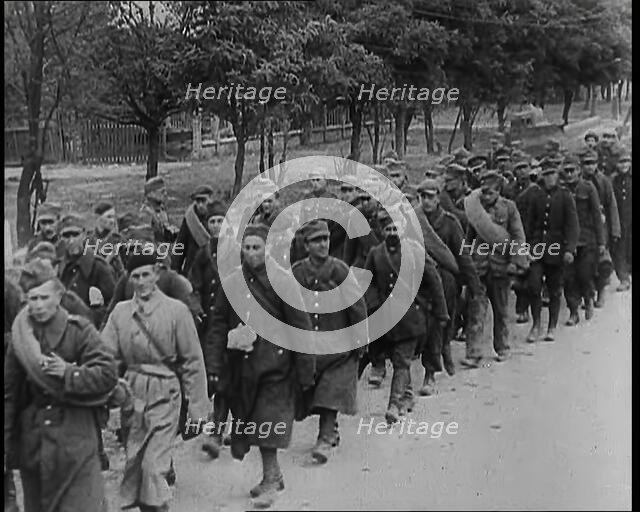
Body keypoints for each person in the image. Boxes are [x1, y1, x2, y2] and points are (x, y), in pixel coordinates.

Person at [204, 224, 315, 508]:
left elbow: (299, 327)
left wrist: (305, 372)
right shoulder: (232, 281)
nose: (252, 253)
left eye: (257, 247)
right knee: (250, 423)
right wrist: (214, 364)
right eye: (247, 247)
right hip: (242, 367)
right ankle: (275, 474)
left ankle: (269, 480)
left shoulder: (283, 281)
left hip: (277, 368)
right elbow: (217, 324)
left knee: (267, 422)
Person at [5, 259, 118, 512]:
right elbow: (10, 396)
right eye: (32, 299)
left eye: (44, 297)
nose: (38, 305)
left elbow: (108, 374)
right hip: (36, 446)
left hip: (76, 441)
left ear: (58, 295)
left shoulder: (79, 331)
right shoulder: (21, 339)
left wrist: (69, 372)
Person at [101, 252, 210, 512]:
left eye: (146, 274)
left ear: (157, 275)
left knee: (153, 466)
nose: (140, 281)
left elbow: (193, 361)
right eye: (135, 276)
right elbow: (105, 357)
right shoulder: (120, 313)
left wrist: (197, 407)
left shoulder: (177, 311)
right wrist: (106, 390)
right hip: (133, 395)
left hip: (166, 392)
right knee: (136, 465)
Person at [292, 220, 368, 464]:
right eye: (316, 240)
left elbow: (357, 307)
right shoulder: (297, 273)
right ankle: (331, 429)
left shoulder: (340, 270)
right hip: (310, 346)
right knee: (309, 391)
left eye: (325, 239)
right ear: (306, 245)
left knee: (330, 392)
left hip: (339, 346)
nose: (323, 244)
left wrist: (360, 341)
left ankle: (325, 436)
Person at [363, 210, 432, 422]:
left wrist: (435, 309)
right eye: (388, 229)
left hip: (411, 315)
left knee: (402, 361)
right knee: (396, 358)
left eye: (396, 229)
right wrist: (374, 304)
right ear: (382, 232)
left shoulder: (414, 251)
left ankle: (393, 404)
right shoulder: (376, 253)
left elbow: (433, 281)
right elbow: (368, 281)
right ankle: (408, 395)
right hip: (387, 317)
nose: (392, 233)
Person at [414, 178, 478, 393]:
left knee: (437, 323)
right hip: (419, 279)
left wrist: (473, 284)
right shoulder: (413, 220)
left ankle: (430, 374)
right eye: (422, 196)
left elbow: (463, 256)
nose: (426, 201)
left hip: (445, 281)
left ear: (438, 197)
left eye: (430, 196)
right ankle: (440, 350)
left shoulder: (450, 223)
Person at [463, 170, 527, 367]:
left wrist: (514, 262)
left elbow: (518, 236)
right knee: (476, 311)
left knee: (501, 311)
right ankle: (474, 353)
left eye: (490, 192)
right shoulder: (476, 211)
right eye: (484, 192)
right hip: (480, 268)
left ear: (499, 190)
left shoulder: (509, 208)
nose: (486, 196)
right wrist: (467, 264)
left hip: (501, 268)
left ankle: (502, 347)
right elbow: (469, 239)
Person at [524, 161, 578, 342]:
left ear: (557, 175)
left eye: (552, 174)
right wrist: (527, 247)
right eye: (546, 175)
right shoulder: (536, 196)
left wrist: (570, 249)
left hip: (557, 249)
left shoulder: (565, 195)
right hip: (537, 249)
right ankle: (536, 324)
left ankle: (552, 326)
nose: (549, 178)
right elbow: (529, 225)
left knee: (555, 289)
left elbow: (572, 226)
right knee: (533, 285)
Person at [561, 156, 604, 325]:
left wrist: (601, 242)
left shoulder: (588, 187)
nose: (570, 174)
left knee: (585, 273)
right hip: (568, 242)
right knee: (568, 278)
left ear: (579, 171)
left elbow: (596, 215)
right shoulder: (561, 190)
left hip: (587, 239)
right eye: (567, 171)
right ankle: (573, 311)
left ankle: (588, 298)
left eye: (573, 170)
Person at [56, 212, 116, 327]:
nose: (71, 241)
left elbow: (113, 305)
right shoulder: (59, 268)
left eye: (75, 235)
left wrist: (89, 316)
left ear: (84, 234)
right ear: (60, 238)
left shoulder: (99, 267)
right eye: (66, 236)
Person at [579, 148, 620, 308]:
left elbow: (612, 206)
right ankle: (589, 294)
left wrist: (615, 229)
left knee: (602, 261)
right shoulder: (579, 182)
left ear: (597, 164)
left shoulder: (604, 181)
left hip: (602, 226)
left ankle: (601, 292)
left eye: (593, 163)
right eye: (586, 163)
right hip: (584, 227)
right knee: (586, 263)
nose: (590, 167)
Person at [173, 185, 215, 276]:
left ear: (211, 199)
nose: (200, 205)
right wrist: (175, 271)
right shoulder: (190, 219)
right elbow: (180, 246)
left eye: (203, 201)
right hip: (191, 271)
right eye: (197, 201)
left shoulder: (218, 219)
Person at [87, 201, 126, 280]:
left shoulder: (119, 240)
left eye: (114, 217)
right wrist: (111, 255)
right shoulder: (87, 242)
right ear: (97, 217)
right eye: (109, 217)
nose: (112, 221)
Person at [611, 150, 632, 291]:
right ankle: (624, 278)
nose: (624, 165)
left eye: (626, 161)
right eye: (621, 162)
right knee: (619, 250)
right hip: (619, 220)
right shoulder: (613, 181)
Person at [140, 176, 179, 245]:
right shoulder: (146, 213)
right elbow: (146, 239)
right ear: (151, 194)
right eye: (162, 191)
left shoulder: (161, 208)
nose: (165, 194)